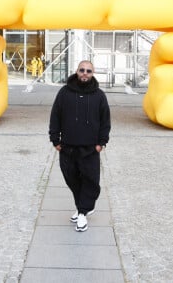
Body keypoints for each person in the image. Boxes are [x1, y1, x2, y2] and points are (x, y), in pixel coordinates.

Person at [49, 60, 111, 232]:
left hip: (90, 149)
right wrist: (55, 141)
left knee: (90, 180)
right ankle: (82, 206)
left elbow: (105, 121)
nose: (85, 73)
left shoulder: (99, 95)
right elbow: (55, 116)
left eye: (89, 71)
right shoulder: (64, 93)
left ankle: (82, 213)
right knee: (71, 178)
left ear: (93, 73)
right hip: (67, 147)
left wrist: (101, 143)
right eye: (82, 70)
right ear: (76, 71)